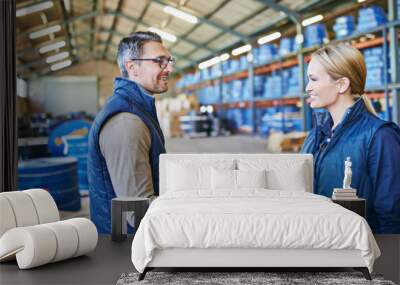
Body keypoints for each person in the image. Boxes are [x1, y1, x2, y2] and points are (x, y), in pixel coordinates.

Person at [301, 43, 400, 234]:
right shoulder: (315, 136)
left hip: (358, 256)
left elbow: (392, 214)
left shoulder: (380, 137)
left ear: (341, 84)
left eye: (313, 79)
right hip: (317, 248)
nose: (307, 87)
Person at [87, 31, 174, 233]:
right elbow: (137, 211)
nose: (168, 68)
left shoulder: (138, 108)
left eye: (169, 60)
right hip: (128, 249)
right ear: (132, 67)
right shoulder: (126, 122)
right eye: (160, 61)